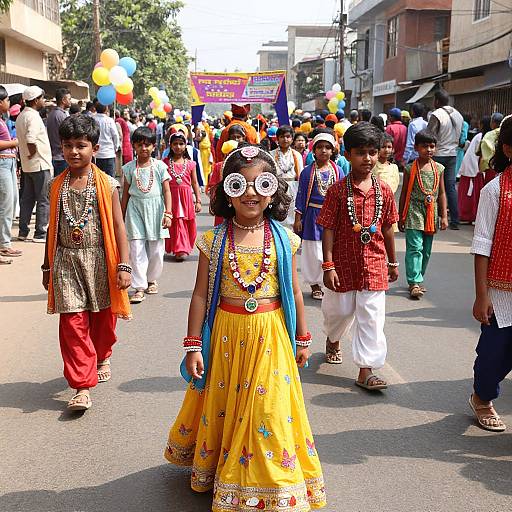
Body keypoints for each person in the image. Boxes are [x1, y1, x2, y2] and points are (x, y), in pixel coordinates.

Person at [164, 144, 326, 511]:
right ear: (227, 191)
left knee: (267, 410)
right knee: (230, 405)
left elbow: (295, 292)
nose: (251, 193)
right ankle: (227, 472)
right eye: (241, 184)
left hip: (271, 337)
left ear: (274, 191)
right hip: (226, 336)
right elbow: (201, 295)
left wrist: (302, 336)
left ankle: (272, 483)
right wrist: (193, 345)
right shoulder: (214, 240)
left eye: (261, 184)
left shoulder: (285, 239)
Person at [41, 114, 131, 411]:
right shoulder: (56, 185)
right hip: (66, 261)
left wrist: (124, 265)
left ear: (95, 148)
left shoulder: (107, 184)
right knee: (72, 322)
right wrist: (46, 267)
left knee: (103, 321)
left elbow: (119, 227)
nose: (74, 152)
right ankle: (81, 386)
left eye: (81, 145)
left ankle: (102, 353)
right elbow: (52, 231)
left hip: (101, 259)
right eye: (68, 145)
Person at [317, 122, 399, 389]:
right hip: (342, 263)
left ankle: (367, 369)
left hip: (374, 264)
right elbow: (327, 228)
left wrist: (392, 261)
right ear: (349, 155)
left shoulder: (384, 191)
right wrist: (328, 265)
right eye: (361, 152)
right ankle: (333, 338)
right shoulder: (337, 191)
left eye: (372, 152)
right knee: (337, 313)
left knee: (372, 316)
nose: (368, 158)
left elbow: (388, 228)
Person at [468, 114, 512, 433]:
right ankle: (482, 398)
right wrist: (482, 295)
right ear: (508, 149)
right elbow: (482, 244)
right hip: (500, 289)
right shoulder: (494, 190)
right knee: (495, 353)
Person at [121, 127, 172, 304]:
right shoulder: (128, 168)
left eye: (148, 145)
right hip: (135, 210)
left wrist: (168, 213)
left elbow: (167, 190)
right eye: (140, 144)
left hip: (156, 210)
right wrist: (120, 216)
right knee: (135, 248)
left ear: (153, 147)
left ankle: (151, 278)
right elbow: (125, 194)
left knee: (157, 249)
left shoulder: (159, 167)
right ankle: (139, 286)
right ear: (133, 146)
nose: (144, 148)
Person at [398, 130, 448, 299]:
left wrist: (444, 215)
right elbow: (404, 192)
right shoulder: (410, 168)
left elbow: (441, 193)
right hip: (414, 210)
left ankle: (419, 277)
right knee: (415, 247)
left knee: (426, 250)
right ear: (416, 147)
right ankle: (414, 282)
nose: (429, 149)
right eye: (424, 146)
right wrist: (400, 215)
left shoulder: (439, 168)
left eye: (432, 146)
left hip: (431, 212)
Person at [295, 133, 340, 303]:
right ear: (313, 150)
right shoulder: (307, 172)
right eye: (320, 147)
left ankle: (329, 280)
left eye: (327, 147)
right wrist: (298, 219)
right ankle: (315, 285)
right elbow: (300, 196)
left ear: (332, 150)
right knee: (313, 252)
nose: (324, 151)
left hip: (332, 216)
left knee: (330, 249)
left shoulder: (338, 170)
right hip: (313, 215)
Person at [15, 86, 52, 243]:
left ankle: (23, 231)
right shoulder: (34, 117)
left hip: (28, 165)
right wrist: (32, 152)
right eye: (42, 98)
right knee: (43, 199)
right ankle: (40, 233)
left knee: (27, 199)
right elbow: (31, 139)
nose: (43, 101)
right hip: (39, 163)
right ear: (36, 100)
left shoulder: (21, 116)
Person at [426, 89, 463, 230]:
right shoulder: (458, 114)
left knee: (434, 187)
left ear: (436, 101)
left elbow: (429, 135)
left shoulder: (436, 115)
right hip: (452, 154)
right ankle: (455, 220)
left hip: (438, 154)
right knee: (450, 187)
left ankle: (434, 218)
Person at [163, 131, 201, 261]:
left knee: (185, 222)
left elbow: (195, 182)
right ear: (170, 146)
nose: (178, 147)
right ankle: (179, 249)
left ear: (186, 145)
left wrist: (198, 201)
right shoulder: (165, 163)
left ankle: (184, 247)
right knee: (176, 222)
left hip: (186, 197)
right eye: (175, 144)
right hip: (171, 196)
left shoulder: (191, 164)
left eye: (181, 144)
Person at [0, 85, 21, 263]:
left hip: (8, 163)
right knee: (6, 205)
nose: (9, 103)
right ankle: (4, 244)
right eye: (7, 100)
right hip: (2, 163)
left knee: (11, 203)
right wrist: (15, 142)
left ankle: (4, 242)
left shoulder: (2, 119)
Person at [458, 116, 491, 223]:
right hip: (479, 169)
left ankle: (466, 215)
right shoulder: (488, 137)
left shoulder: (480, 137)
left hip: (472, 169)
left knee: (469, 194)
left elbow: (472, 154)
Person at [270, 125, 304, 226]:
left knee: (291, 212)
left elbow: (300, 174)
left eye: (288, 136)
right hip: (278, 186)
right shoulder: (271, 154)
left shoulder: (296, 155)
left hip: (293, 187)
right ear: (277, 139)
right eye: (282, 137)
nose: (285, 139)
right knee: (277, 211)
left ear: (292, 139)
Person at [373, 133, 400, 232]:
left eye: (389, 147)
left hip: (389, 204)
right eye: (383, 147)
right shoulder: (373, 165)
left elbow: (395, 184)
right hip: (375, 202)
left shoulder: (394, 167)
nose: (386, 150)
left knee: (388, 231)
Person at [46, 87, 71, 177]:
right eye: (69, 99)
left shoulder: (51, 114)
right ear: (64, 100)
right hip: (61, 157)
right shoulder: (61, 115)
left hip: (54, 155)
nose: (70, 101)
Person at [93, 103, 120, 177]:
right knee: (110, 179)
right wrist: (115, 148)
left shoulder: (92, 119)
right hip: (109, 153)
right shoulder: (109, 120)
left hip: (97, 154)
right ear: (106, 109)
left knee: (99, 178)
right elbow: (115, 135)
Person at [478, 112, 504, 184]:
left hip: (491, 167)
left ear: (493, 123)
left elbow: (484, 155)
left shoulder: (489, 135)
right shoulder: (505, 132)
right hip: (504, 167)